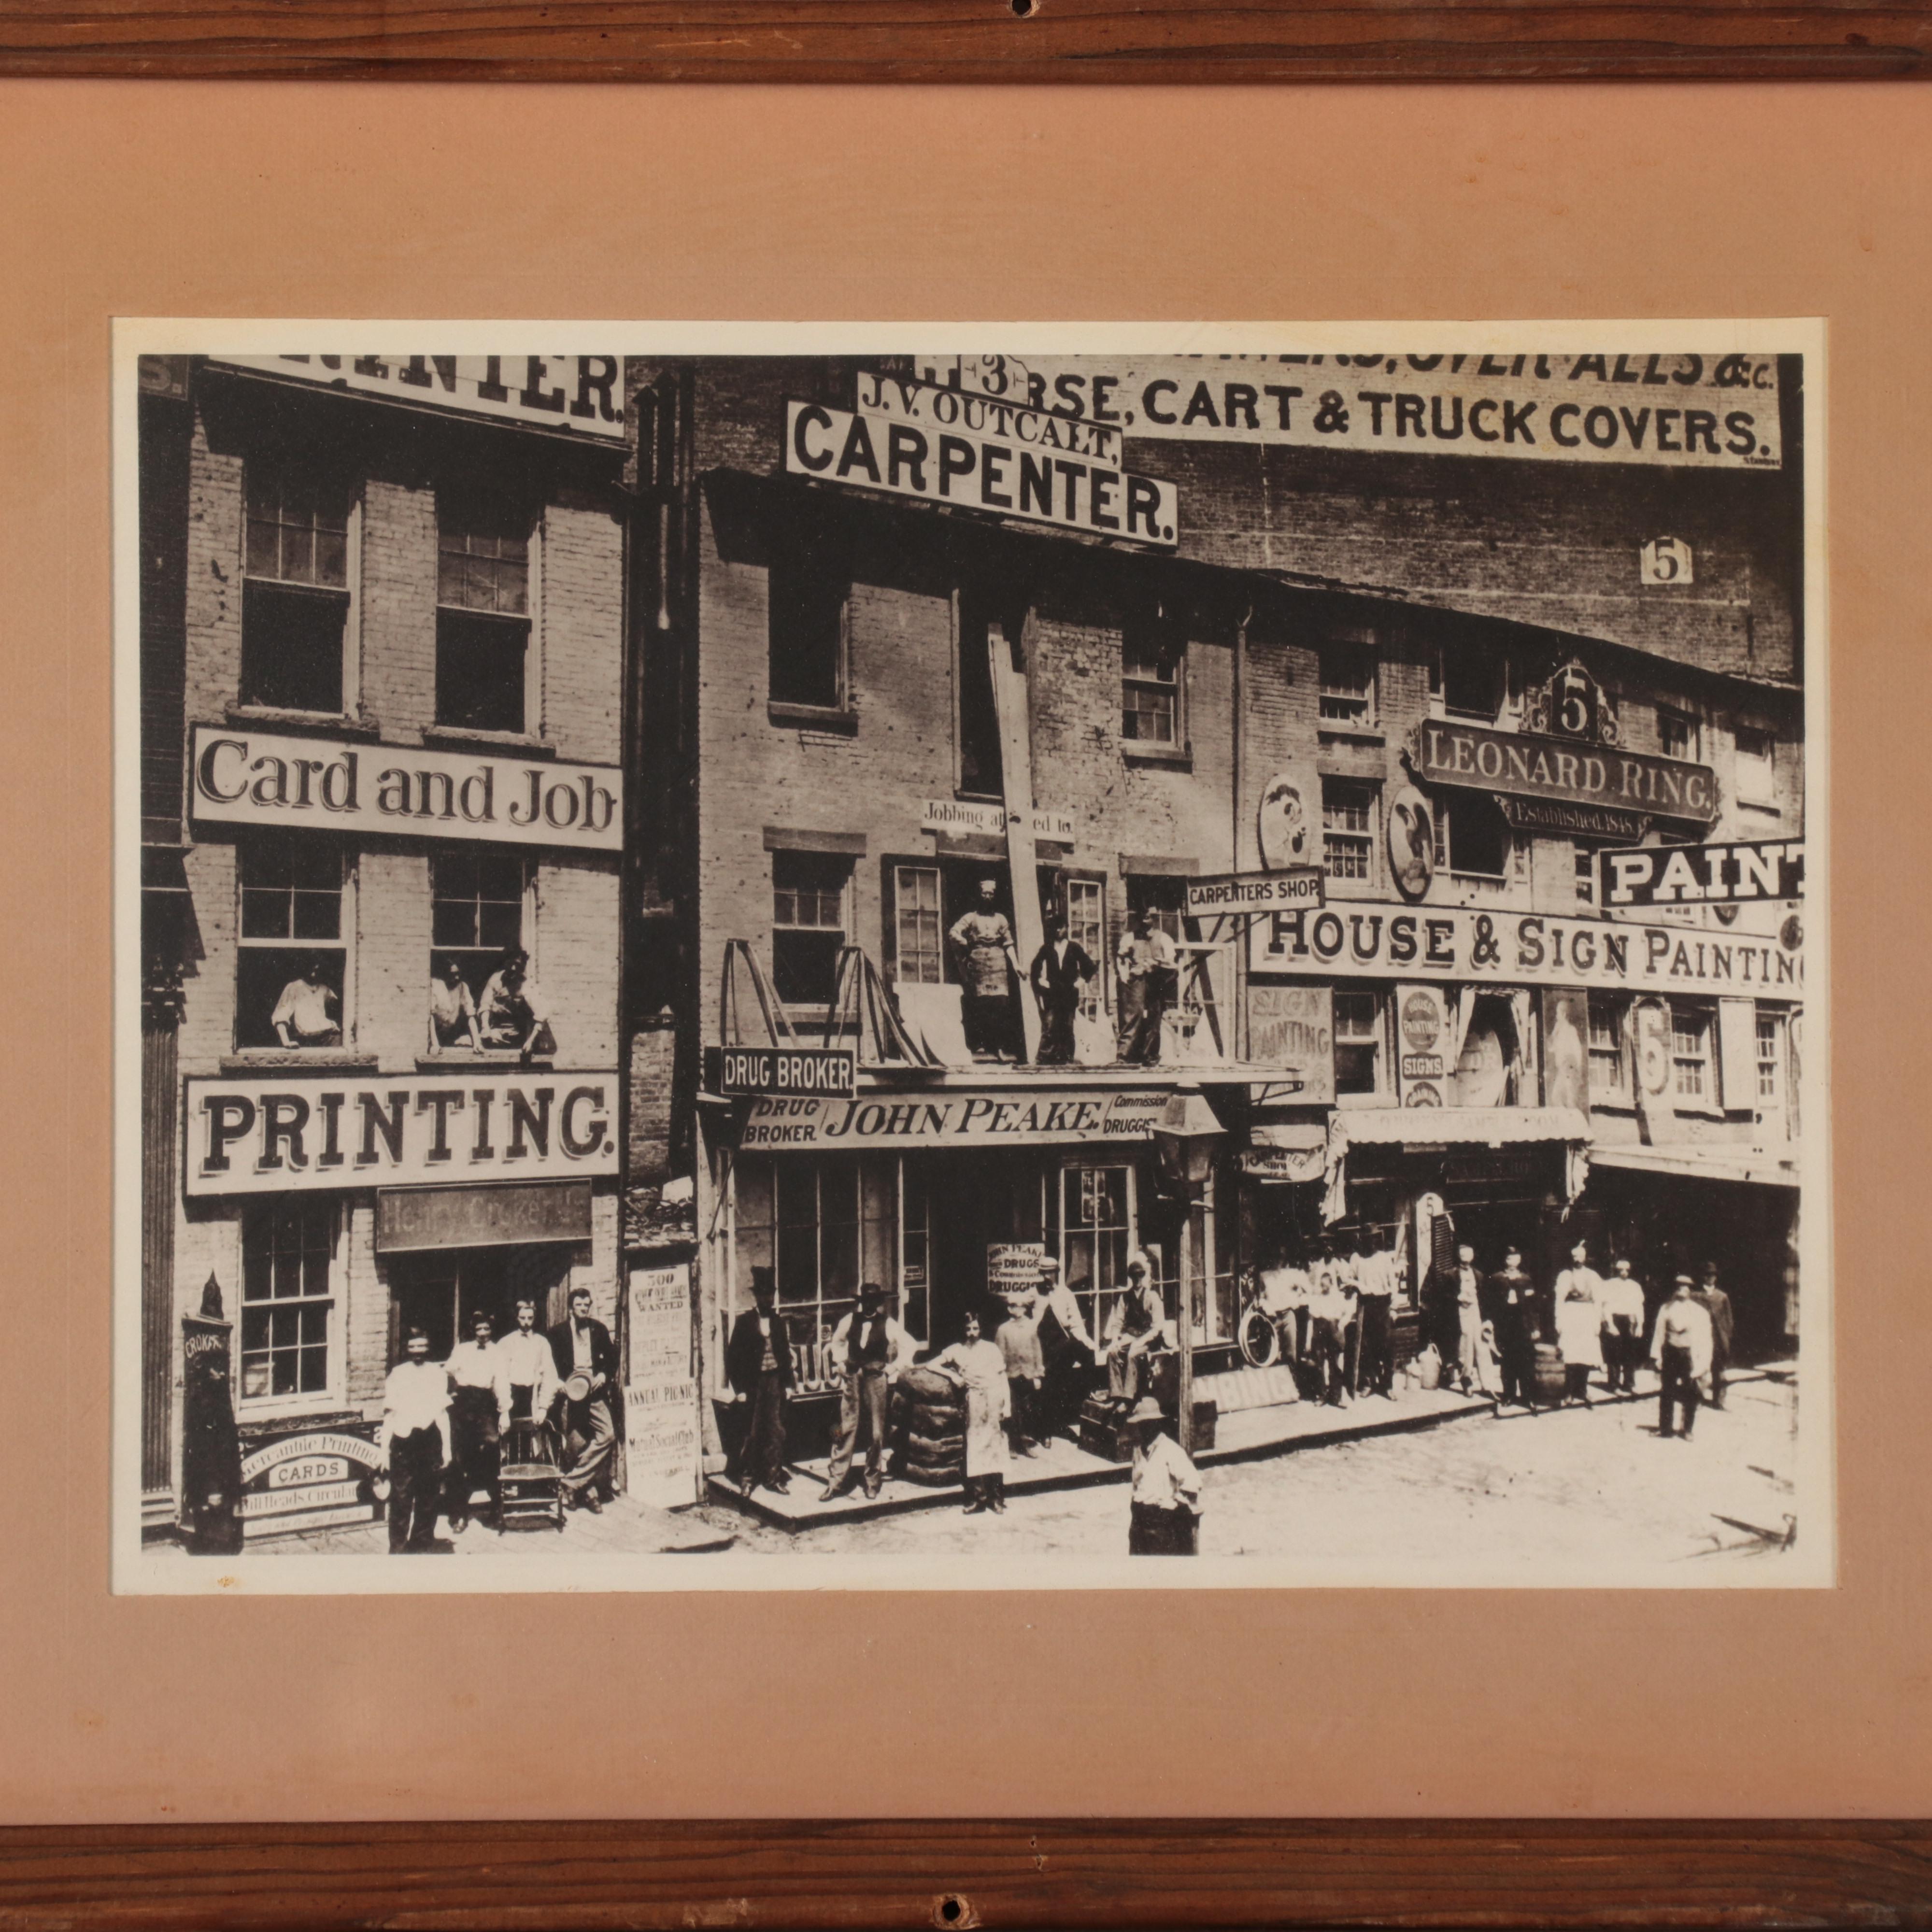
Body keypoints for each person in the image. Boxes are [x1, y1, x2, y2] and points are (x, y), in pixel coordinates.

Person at [821, 1282, 912, 1501]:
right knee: (847, 1429)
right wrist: (841, 1364)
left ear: (878, 1303)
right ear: (862, 1302)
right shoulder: (850, 1320)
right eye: (866, 1302)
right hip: (853, 1378)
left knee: (876, 1433)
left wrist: (892, 1368)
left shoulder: (888, 1323)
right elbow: (837, 1342)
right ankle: (836, 1482)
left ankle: (872, 1481)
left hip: (876, 1380)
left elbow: (910, 1345)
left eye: (874, 1302)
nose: (869, 1306)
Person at [930, 1307, 1011, 1514]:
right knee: (975, 1447)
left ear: (981, 1329)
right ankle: (979, 1498)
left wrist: (1007, 1406)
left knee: (995, 1447)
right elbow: (932, 1365)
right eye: (968, 1329)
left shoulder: (991, 1349)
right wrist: (953, 1376)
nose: (972, 1333)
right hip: (974, 1399)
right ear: (963, 1330)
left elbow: (1002, 1378)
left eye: (976, 1328)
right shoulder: (957, 1350)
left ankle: (997, 1498)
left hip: (994, 1398)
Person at [723, 1267, 794, 1497]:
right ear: (756, 1297)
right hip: (753, 1384)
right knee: (752, 1433)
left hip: (774, 1383)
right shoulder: (745, 1322)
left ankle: (773, 1477)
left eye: (770, 1295)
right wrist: (740, 1389)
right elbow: (732, 1358)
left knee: (776, 1431)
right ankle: (748, 1478)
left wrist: (789, 1384)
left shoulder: (778, 1322)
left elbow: (785, 1356)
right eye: (762, 1295)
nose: (767, 1299)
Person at [547, 1286, 617, 1512]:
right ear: (571, 1309)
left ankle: (570, 1482)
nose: (583, 1309)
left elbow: (612, 1357)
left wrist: (604, 1374)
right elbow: (549, 1365)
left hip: (594, 1392)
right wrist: (558, 1382)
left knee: (607, 1435)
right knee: (576, 1445)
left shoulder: (599, 1329)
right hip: (571, 1394)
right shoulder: (557, 1333)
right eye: (579, 1305)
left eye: (587, 1305)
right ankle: (589, 1494)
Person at [381, 1327, 450, 1554]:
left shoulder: (437, 1373)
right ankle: (398, 1549)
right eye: (413, 1347)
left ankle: (421, 1545)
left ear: (428, 1348)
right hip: (404, 1442)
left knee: (428, 1498)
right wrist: (383, 1454)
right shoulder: (398, 1374)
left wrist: (447, 1450)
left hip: (429, 1440)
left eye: (422, 1346)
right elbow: (389, 1416)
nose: (418, 1351)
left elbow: (442, 1414)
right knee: (401, 1499)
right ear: (406, 1349)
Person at [443, 1310, 511, 1533]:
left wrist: (505, 1412)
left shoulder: (498, 1353)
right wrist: (451, 1393)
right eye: (479, 1329)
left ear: (492, 1330)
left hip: (485, 1404)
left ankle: (495, 1509)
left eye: (487, 1329)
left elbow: (501, 1382)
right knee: (459, 1458)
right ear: (473, 1331)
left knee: (492, 1447)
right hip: (463, 1404)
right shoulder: (462, 1350)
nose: (483, 1333)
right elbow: (448, 1370)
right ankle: (459, 1514)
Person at [948, 879, 1022, 1062]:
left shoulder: (1001, 919)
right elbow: (953, 932)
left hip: (998, 963)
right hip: (978, 961)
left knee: (1000, 1005)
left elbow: (1009, 944)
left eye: (991, 894)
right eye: (984, 894)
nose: (988, 897)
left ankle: (998, 1046)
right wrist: (965, 942)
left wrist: (1016, 964)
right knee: (980, 1005)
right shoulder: (971, 918)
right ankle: (979, 1045)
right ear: (979, 895)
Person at [1125, 1397, 1203, 1555]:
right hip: (1139, 1521)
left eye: (1148, 1424)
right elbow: (1136, 1483)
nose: (1143, 1429)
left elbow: (1192, 1483)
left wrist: (1173, 1506)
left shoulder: (1171, 1450)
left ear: (1157, 1424)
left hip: (1161, 1524)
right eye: (1141, 1425)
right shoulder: (1139, 1451)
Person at [1033, 1255, 1096, 1442]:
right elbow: (1026, 1323)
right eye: (1044, 1273)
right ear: (1040, 1274)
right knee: (1049, 1380)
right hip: (1043, 1346)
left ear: (1057, 1273)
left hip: (1063, 1345)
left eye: (1051, 1273)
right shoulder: (1033, 1294)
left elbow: (1076, 1323)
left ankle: (1088, 1394)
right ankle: (1045, 1433)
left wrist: (1086, 1341)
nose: (1047, 1277)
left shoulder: (1066, 1294)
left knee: (1088, 1354)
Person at [1102, 1250, 1173, 1406]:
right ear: (1131, 1278)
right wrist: (1115, 1340)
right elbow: (1118, 1322)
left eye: (1140, 1276)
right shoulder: (1125, 1298)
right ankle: (1117, 1394)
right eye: (1134, 1276)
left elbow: (1157, 1327)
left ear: (1144, 1276)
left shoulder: (1152, 1297)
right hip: (1132, 1336)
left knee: (1132, 1354)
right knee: (1112, 1352)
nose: (1138, 1280)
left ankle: (1129, 1397)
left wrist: (1140, 1342)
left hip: (1150, 1338)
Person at [1651, 1272, 1715, 1440]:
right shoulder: (1666, 1308)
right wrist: (1658, 1356)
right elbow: (1659, 1334)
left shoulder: (1699, 1312)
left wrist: (1704, 1362)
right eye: (1679, 1286)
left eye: (1685, 1287)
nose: (1682, 1290)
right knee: (1667, 1392)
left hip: (1689, 1355)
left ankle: (1687, 1430)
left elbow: (1706, 1339)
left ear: (1691, 1290)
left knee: (1691, 1393)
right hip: (1671, 1353)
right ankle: (1665, 1429)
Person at [1029, 914, 1097, 1067]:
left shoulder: (1074, 947)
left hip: (1069, 993)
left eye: (1062, 927)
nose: (1059, 930)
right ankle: (1045, 1057)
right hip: (1052, 994)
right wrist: (1041, 981)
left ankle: (1067, 1058)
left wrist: (1080, 982)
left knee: (1067, 1026)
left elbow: (1090, 966)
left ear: (1067, 928)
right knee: (1051, 1024)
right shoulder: (1047, 948)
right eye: (1056, 927)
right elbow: (1035, 968)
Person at [1115, 909, 1178, 1066]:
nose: (1144, 921)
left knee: (1153, 1020)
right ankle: (1125, 1056)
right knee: (1132, 1018)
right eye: (1141, 918)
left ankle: (1150, 1057)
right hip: (1137, 981)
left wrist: (1157, 964)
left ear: (1154, 919)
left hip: (1155, 981)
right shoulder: (1130, 938)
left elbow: (1171, 963)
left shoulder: (1164, 939)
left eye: (1148, 917)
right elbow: (1121, 958)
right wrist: (1126, 976)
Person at [1483, 1244, 1542, 1409]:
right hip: (1505, 1326)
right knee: (1507, 1362)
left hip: (1523, 1327)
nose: (1512, 1262)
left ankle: (1528, 1397)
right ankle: (1509, 1395)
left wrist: (1535, 1328)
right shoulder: (1497, 1279)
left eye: (1515, 1258)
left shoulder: (1526, 1279)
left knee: (1526, 1363)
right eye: (1509, 1259)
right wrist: (1490, 1323)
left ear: (1520, 1260)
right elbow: (1490, 1304)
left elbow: (1533, 1308)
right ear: (1505, 1260)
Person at [1552, 1239, 1605, 1406]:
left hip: (1588, 1316)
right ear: (1571, 1257)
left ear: (1585, 1257)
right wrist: (1559, 1320)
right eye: (1575, 1256)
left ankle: (1582, 1390)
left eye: (1581, 1256)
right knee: (1571, 1355)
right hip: (1571, 1315)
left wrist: (1597, 1322)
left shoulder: (1593, 1276)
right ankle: (1569, 1392)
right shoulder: (1566, 1275)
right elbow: (1559, 1300)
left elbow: (1598, 1301)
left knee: (1586, 1354)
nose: (1578, 1258)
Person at [996, 1285, 1046, 1457]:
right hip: (1010, 1376)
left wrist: (1038, 1374)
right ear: (1009, 1309)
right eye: (1013, 1306)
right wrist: (1000, 1375)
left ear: (1025, 1308)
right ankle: (1011, 1445)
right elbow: (1000, 1355)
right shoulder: (1003, 1330)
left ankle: (1027, 1443)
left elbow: (1037, 1351)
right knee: (1012, 1410)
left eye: (1020, 1306)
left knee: (1027, 1410)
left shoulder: (1031, 1327)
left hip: (1028, 1375)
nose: (1017, 1310)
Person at [497, 1296, 560, 1425]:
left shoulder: (542, 1343)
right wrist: (504, 1411)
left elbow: (550, 1376)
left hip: (533, 1396)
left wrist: (543, 1407)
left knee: (533, 1439)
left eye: (530, 1318)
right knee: (511, 1438)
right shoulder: (506, 1343)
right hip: (512, 1396)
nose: (526, 1322)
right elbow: (500, 1377)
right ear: (516, 1318)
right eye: (523, 1318)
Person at [479, 947, 552, 1055]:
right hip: (497, 1031)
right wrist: (485, 1027)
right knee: (468, 1041)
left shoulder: (527, 985)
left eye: (518, 966)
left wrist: (530, 1041)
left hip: (519, 1034)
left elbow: (542, 1013)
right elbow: (485, 1005)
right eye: (511, 964)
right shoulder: (495, 979)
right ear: (505, 962)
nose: (513, 969)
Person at [1306, 1258, 1358, 1406]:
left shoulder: (1338, 1298)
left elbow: (1348, 1313)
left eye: (1327, 1283)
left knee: (1335, 1364)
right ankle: (1322, 1395)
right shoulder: (1316, 1299)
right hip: (1319, 1331)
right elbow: (1311, 1319)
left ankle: (1337, 1397)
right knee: (1319, 1364)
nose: (1325, 1286)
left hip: (1334, 1330)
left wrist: (1341, 1325)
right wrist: (1308, 1340)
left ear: (1332, 1283)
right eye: (1322, 1284)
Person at [1354, 1236, 1397, 1399]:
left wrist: (1394, 1308)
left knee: (1387, 1346)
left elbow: (1393, 1284)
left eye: (1372, 1239)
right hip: (1367, 1305)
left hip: (1384, 1305)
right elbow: (1349, 1279)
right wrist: (1358, 1285)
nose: (1369, 1243)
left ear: (1376, 1241)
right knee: (1367, 1347)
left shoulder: (1385, 1259)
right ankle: (1368, 1384)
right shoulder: (1358, 1259)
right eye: (1366, 1240)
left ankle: (1388, 1386)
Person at [1599, 1258, 1648, 1396]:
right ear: (1616, 1271)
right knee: (1614, 1354)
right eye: (1621, 1270)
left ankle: (1629, 1384)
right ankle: (1614, 1384)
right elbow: (1606, 1307)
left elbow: (1639, 1307)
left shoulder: (1635, 1286)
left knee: (1630, 1353)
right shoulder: (1609, 1285)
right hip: (1615, 1319)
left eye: (1626, 1270)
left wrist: (1640, 1326)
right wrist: (1610, 1324)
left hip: (1630, 1320)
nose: (1624, 1273)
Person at [271, 958, 340, 1049]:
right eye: (311, 969)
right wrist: (286, 1042)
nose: (314, 974)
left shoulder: (325, 990)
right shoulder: (295, 987)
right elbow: (281, 1015)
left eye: (317, 970)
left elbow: (338, 1005)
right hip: (304, 1041)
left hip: (327, 1039)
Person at [1694, 1262, 1736, 1410]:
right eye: (1707, 1275)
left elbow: (1729, 1320)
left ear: (1716, 1278)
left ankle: (1719, 1401)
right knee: (1700, 1369)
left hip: (1719, 1340)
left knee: (1719, 1371)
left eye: (1713, 1276)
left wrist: (1726, 1337)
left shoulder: (1722, 1297)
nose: (1710, 1278)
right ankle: (1697, 1398)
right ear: (1703, 1277)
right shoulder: (1696, 1296)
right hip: (1702, 1339)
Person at [429, 956, 482, 1052]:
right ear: (445, 974)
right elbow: (431, 1017)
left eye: (458, 974)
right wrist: (435, 1044)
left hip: (451, 1035)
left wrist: (477, 1043)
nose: (457, 977)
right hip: (435, 1035)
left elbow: (470, 1015)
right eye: (453, 974)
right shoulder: (436, 986)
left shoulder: (462, 987)